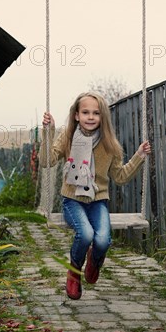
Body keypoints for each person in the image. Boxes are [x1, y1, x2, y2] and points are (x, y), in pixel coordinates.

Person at [40, 91, 151, 300]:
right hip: (73, 200)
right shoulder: (68, 137)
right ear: (76, 115)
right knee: (86, 235)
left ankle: (95, 260)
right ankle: (74, 272)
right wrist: (48, 131)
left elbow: (120, 176)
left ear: (103, 117)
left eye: (96, 113)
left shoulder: (109, 144)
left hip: (98, 200)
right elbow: (47, 161)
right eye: (85, 112)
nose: (90, 117)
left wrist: (139, 156)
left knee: (102, 241)